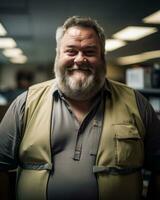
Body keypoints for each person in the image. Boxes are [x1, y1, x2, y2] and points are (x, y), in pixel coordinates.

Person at [0, 16, 160, 200]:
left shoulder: (136, 103)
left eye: (90, 52)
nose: (80, 59)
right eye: (71, 51)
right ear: (58, 55)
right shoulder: (25, 103)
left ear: (102, 57)